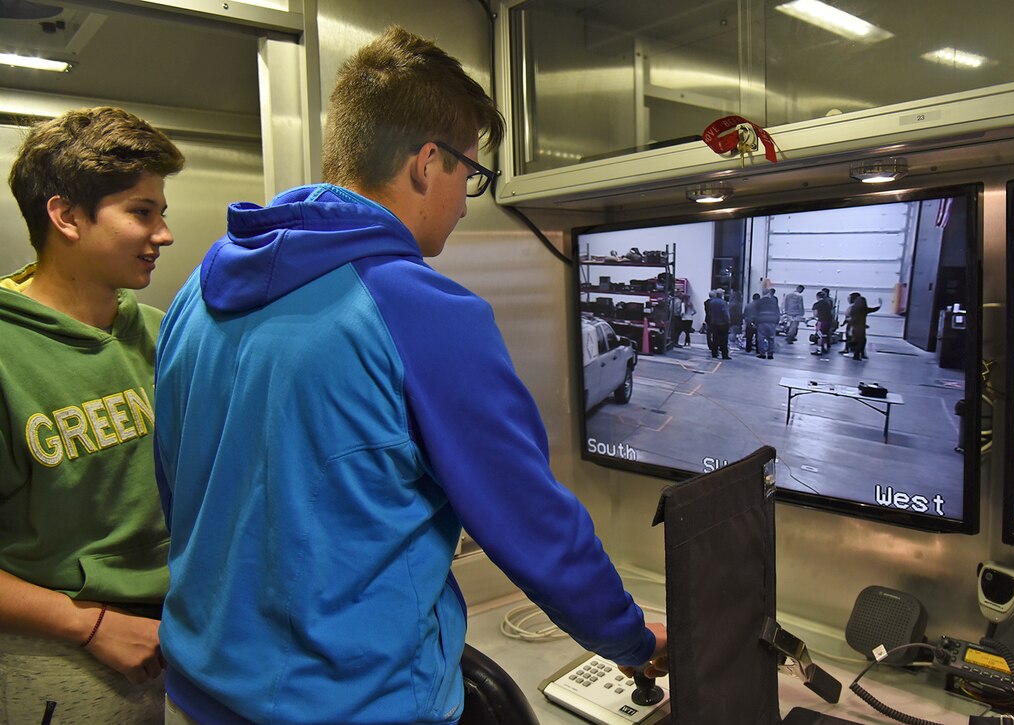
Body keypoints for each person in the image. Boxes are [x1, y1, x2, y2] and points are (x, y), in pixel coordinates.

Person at [153, 27, 667, 725]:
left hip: (194, 694)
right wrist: (628, 635)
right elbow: (529, 517)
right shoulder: (419, 308)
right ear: (429, 162)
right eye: (470, 176)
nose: (465, 201)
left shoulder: (197, 292)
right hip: (353, 705)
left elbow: (181, 489)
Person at [0, 107, 185, 722]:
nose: (163, 234)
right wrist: (90, 625)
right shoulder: (7, 353)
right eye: (141, 212)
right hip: (61, 657)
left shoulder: (165, 337)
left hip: (177, 644)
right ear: (66, 216)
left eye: (162, 212)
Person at [845, 292, 883, 360]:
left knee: (858, 341)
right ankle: (859, 354)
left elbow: (852, 318)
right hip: (861, 328)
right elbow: (873, 309)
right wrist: (880, 305)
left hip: (855, 328)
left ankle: (856, 353)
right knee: (861, 341)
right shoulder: (864, 309)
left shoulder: (854, 308)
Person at [754, 288, 780, 359]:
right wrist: (777, 321)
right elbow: (777, 312)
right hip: (772, 322)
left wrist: (755, 322)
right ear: (769, 293)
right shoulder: (774, 301)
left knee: (761, 338)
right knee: (771, 338)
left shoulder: (759, 302)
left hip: (762, 321)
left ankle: (762, 353)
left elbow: (756, 313)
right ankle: (770, 354)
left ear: (762, 293)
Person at [706, 289, 731, 359]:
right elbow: (725, 313)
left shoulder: (712, 302)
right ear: (721, 295)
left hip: (714, 323)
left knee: (715, 339)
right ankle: (724, 354)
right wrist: (728, 321)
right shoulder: (723, 303)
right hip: (723, 323)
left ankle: (714, 353)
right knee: (724, 339)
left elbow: (710, 313)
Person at [811, 289, 835, 356]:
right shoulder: (828, 304)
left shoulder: (816, 304)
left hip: (821, 321)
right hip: (828, 321)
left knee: (820, 335)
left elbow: (815, 314)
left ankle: (819, 350)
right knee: (825, 335)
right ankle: (825, 348)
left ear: (817, 297)